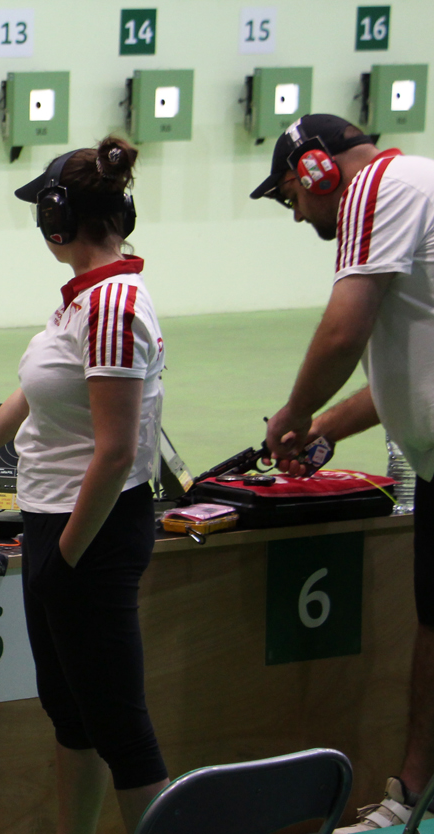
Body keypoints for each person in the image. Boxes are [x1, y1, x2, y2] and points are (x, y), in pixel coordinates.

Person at [0, 137, 169, 833]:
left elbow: (118, 452)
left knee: (120, 726)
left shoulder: (115, 309)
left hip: (90, 530)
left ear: (59, 218)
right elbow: (37, 390)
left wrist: (64, 557)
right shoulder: (83, 301)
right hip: (59, 524)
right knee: (73, 715)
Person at [256, 114, 434, 832]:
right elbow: (407, 367)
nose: (297, 213)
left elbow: (344, 329)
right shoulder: (410, 186)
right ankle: (415, 796)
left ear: (318, 170)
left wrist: (292, 411)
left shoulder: (379, 187)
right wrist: (322, 425)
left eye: (291, 197)